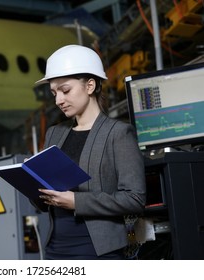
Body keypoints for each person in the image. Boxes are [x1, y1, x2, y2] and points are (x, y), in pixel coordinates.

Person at [32, 45, 146, 260]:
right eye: (54, 93)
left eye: (65, 90)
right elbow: (44, 199)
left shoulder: (119, 133)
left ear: (90, 85)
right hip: (56, 249)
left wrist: (77, 202)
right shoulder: (55, 134)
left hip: (99, 252)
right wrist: (33, 183)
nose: (58, 100)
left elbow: (134, 198)